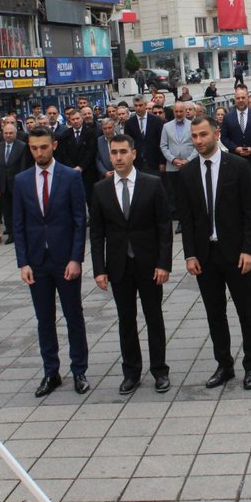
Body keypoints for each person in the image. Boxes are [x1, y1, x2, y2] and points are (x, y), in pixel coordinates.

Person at [180, 116, 251, 390]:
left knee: (246, 311)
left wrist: (248, 250)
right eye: (194, 136)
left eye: (203, 134)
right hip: (205, 256)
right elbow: (187, 218)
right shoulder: (188, 172)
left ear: (216, 134)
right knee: (215, 313)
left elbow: (250, 212)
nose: (199, 141)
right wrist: (189, 254)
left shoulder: (237, 167)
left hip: (235, 253)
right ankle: (224, 365)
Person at [89, 132, 173, 394]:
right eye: (113, 153)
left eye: (123, 152)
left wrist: (164, 264)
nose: (118, 157)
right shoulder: (100, 189)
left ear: (133, 154)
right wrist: (99, 270)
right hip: (118, 266)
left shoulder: (152, 183)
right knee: (126, 320)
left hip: (149, 265)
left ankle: (159, 370)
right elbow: (97, 234)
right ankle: (131, 372)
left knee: (154, 317)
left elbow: (164, 227)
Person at [13, 127, 90, 397]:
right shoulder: (22, 181)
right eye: (34, 148)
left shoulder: (70, 177)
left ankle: (79, 370)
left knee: (73, 316)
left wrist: (75, 258)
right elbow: (18, 225)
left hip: (65, 260)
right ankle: (51, 372)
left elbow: (80, 220)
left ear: (54, 145)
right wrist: (23, 262)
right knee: (44, 319)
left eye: (44, 147)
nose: (39, 152)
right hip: (37, 262)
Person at [221, 84, 251, 227]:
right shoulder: (228, 117)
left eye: (243, 97)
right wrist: (235, 148)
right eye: (238, 98)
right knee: (238, 187)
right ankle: (242, 215)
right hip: (236, 158)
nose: (241, 100)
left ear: (247, 98)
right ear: (234, 99)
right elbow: (224, 137)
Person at [0, 121, 33, 245]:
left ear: (15, 133)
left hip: (17, 185)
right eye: (6, 133)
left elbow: (24, 167)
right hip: (3, 186)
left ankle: (22, 232)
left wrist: (23, 184)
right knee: (7, 211)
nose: (8, 135)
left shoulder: (22, 146)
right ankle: (11, 233)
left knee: (20, 210)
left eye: (11, 133)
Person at [160, 101, 197, 232]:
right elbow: (163, 146)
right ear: (174, 112)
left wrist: (188, 160)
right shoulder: (166, 127)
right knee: (177, 195)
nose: (179, 114)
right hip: (173, 167)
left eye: (182, 111)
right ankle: (182, 220)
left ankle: (193, 219)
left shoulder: (193, 125)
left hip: (190, 165)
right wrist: (173, 159)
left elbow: (197, 145)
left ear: (186, 111)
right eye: (177, 111)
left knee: (191, 193)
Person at [56, 108, 98, 195]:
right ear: (69, 121)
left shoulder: (90, 133)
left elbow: (91, 152)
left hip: (88, 172)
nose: (75, 121)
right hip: (71, 171)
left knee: (90, 197)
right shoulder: (65, 135)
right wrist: (72, 168)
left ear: (82, 119)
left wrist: (81, 167)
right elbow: (63, 154)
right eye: (73, 119)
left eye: (77, 118)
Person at [125, 96, 165, 175]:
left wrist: (162, 162)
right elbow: (128, 144)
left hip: (154, 161)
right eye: (136, 106)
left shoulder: (156, 120)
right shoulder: (129, 123)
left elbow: (161, 141)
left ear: (145, 105)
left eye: (140, 105)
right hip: (137, 162)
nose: (138, 108)